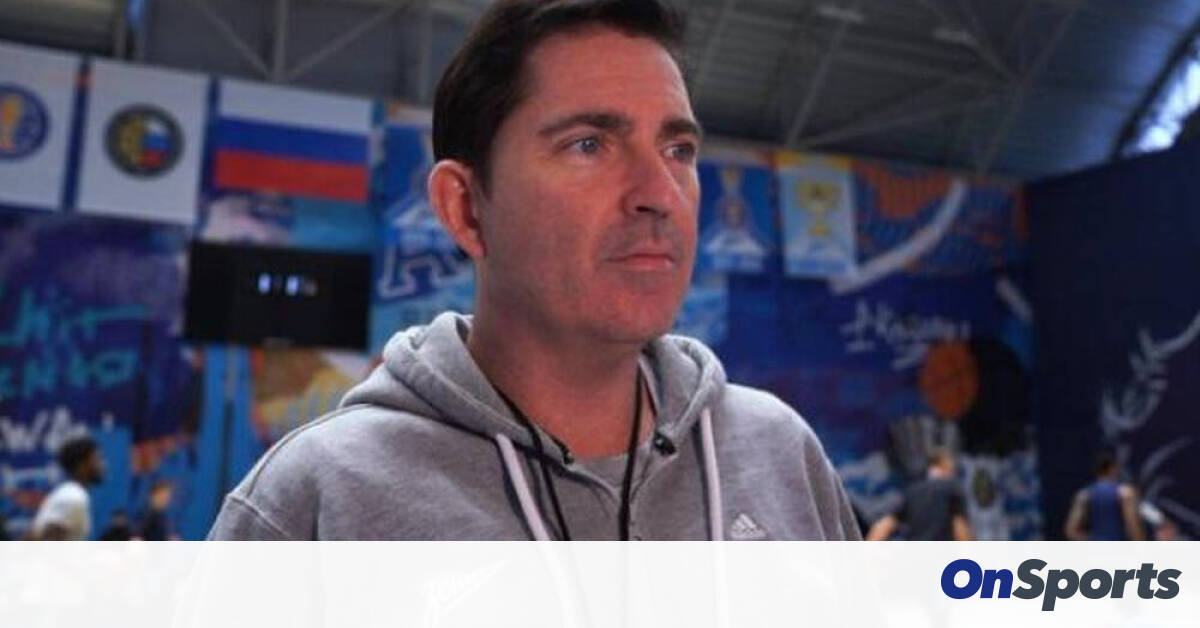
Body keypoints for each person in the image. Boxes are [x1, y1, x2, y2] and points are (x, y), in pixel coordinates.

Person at [209, 0, 859, 541]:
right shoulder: (314, 501)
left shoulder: (781, 457)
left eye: (678, 148)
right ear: (466, 209)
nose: (659, 192)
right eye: (589, 145)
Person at [866, 448, 973, 541]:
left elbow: (885, 524)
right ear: (945, 464)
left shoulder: (912, 491)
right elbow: (959, 526)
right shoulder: (952, 488)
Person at [32, 436, 105, 541]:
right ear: (81, 465)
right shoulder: (74, 496)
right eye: (97, 459)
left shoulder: (68, 492)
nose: (102, 464)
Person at [1064, 451, 1145, 541]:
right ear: (1113, 468)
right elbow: (1133, 525)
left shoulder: (1084, 495)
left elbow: (1071, 531)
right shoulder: (1125, 494)